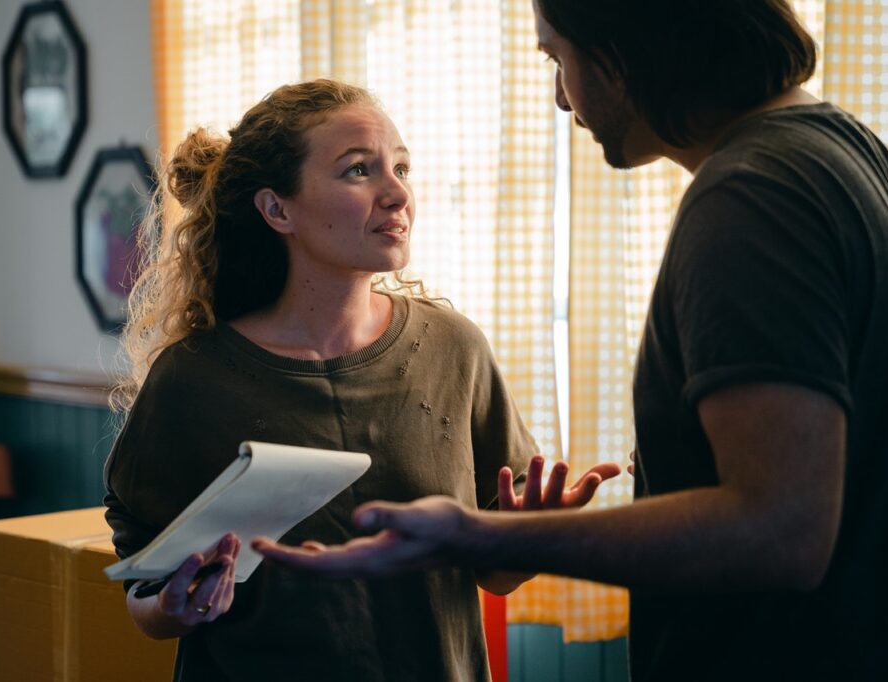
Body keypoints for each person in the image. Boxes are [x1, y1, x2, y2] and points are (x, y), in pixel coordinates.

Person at [254, 3, 888, 681]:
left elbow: (781, 531)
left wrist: (475, 535)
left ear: (621, 50)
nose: (562, 98)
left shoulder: (752, 197)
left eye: (559, 58)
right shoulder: (873, 166)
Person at [102, 79, 618, 682]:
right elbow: (145, 592)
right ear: (277, 209)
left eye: (401, 167)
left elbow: (495, 575)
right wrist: (173, 606)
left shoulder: (454, 349)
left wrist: (529, 535)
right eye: (358, 171)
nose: (398, 193)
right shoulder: (193, 379)